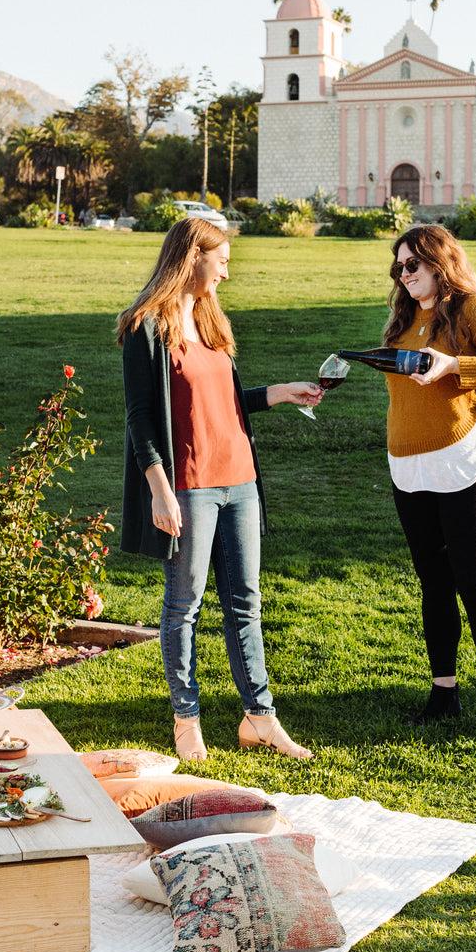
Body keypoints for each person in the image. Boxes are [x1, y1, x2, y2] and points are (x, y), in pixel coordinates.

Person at [117, 217, 321, 762]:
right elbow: (141, 419)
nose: (227, 272)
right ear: (193, 258)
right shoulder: (146, 328)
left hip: (240, 480)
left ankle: (260, 717)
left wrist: (279, 393)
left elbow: (222, 403)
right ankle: (187, 720)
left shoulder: (210, 323)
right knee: (184, 605)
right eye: (222, 261)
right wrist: (159, 489)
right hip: (189, 485)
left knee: (245, 603)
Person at [382, 224, 476, 748]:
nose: (404, 276)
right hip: (411, 466)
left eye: (412, 266)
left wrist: (455, 366)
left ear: (439, 262)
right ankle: (443, 692)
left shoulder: (474, 307)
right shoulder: (403, 318)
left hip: (471, 457)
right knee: (433, 583)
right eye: (398, 269)